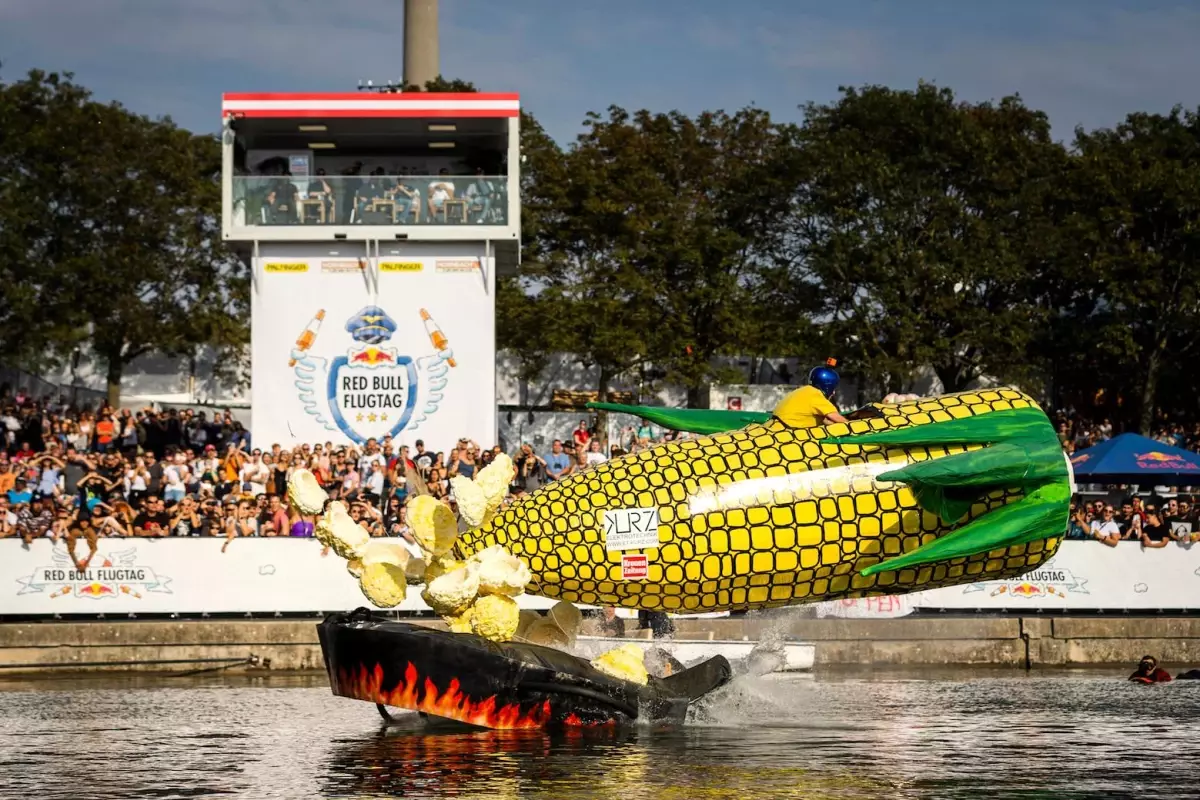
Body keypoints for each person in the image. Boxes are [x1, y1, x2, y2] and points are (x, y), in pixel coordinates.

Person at [773, 359, 849, 428]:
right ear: (827, 386)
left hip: (774, 425)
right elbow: (836, 417)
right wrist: (853, 427)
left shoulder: (804, 391)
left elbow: (825, 421)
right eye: (833, 389)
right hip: (783, 431)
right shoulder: (816, 395)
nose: (833, 393)